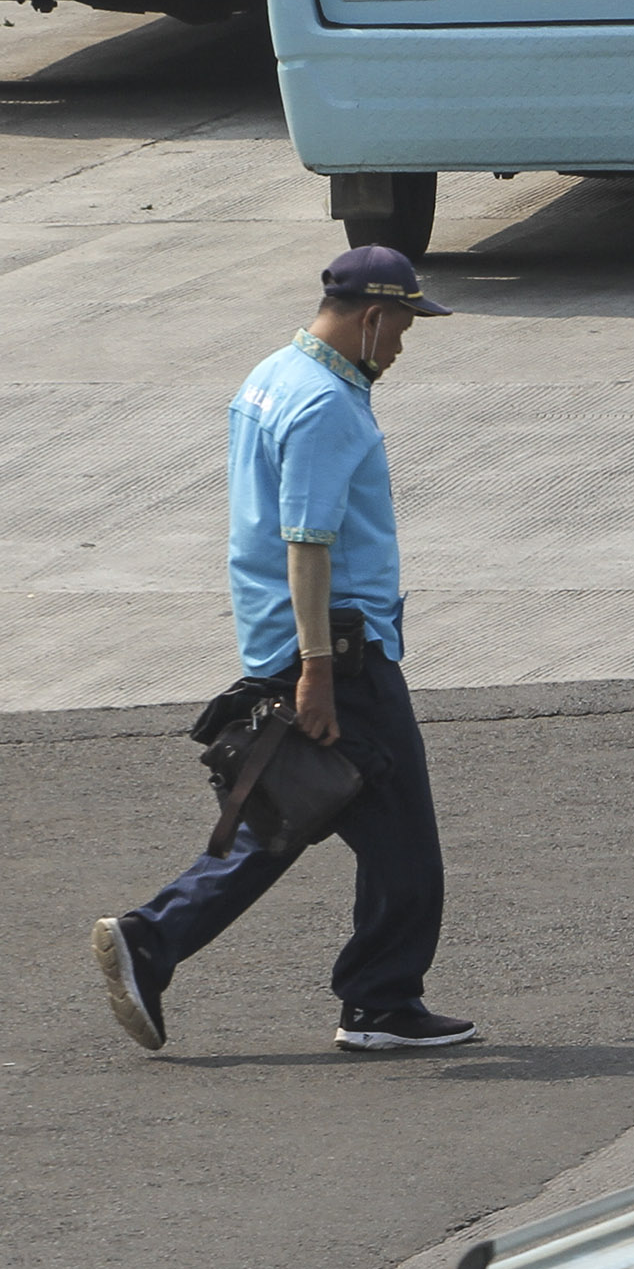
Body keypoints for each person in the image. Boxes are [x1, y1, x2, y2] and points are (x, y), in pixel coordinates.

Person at [90, 247, 478, 1054]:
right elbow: (308, 543)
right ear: (371, 318)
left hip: (283, 634)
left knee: (294, 813)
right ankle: (376, 1003)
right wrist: (317, 672)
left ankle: (157, 942)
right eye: (402, 328)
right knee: (403, 845)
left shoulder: (270, 374)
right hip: (338, 650)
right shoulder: (328, 406)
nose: (403, 348)